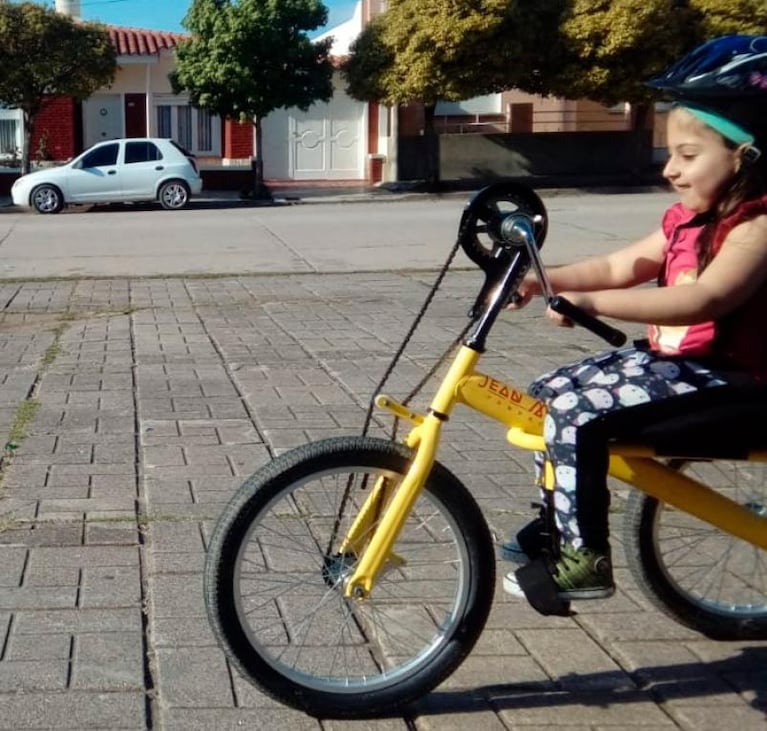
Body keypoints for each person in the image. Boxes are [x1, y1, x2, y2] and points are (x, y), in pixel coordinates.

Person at [502, 35, 767, 603]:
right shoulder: (684, 220)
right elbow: (622, 264)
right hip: (685, 367)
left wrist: (592, 306)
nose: (670, 169)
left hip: (737, 383)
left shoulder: (756, 229)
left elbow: (702, 301)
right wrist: (546, 277)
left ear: (748, 155)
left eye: (689, 156)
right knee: (551, 392)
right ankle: (560, 519)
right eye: (670, 153)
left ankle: (584, 559)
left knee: (576, 411)